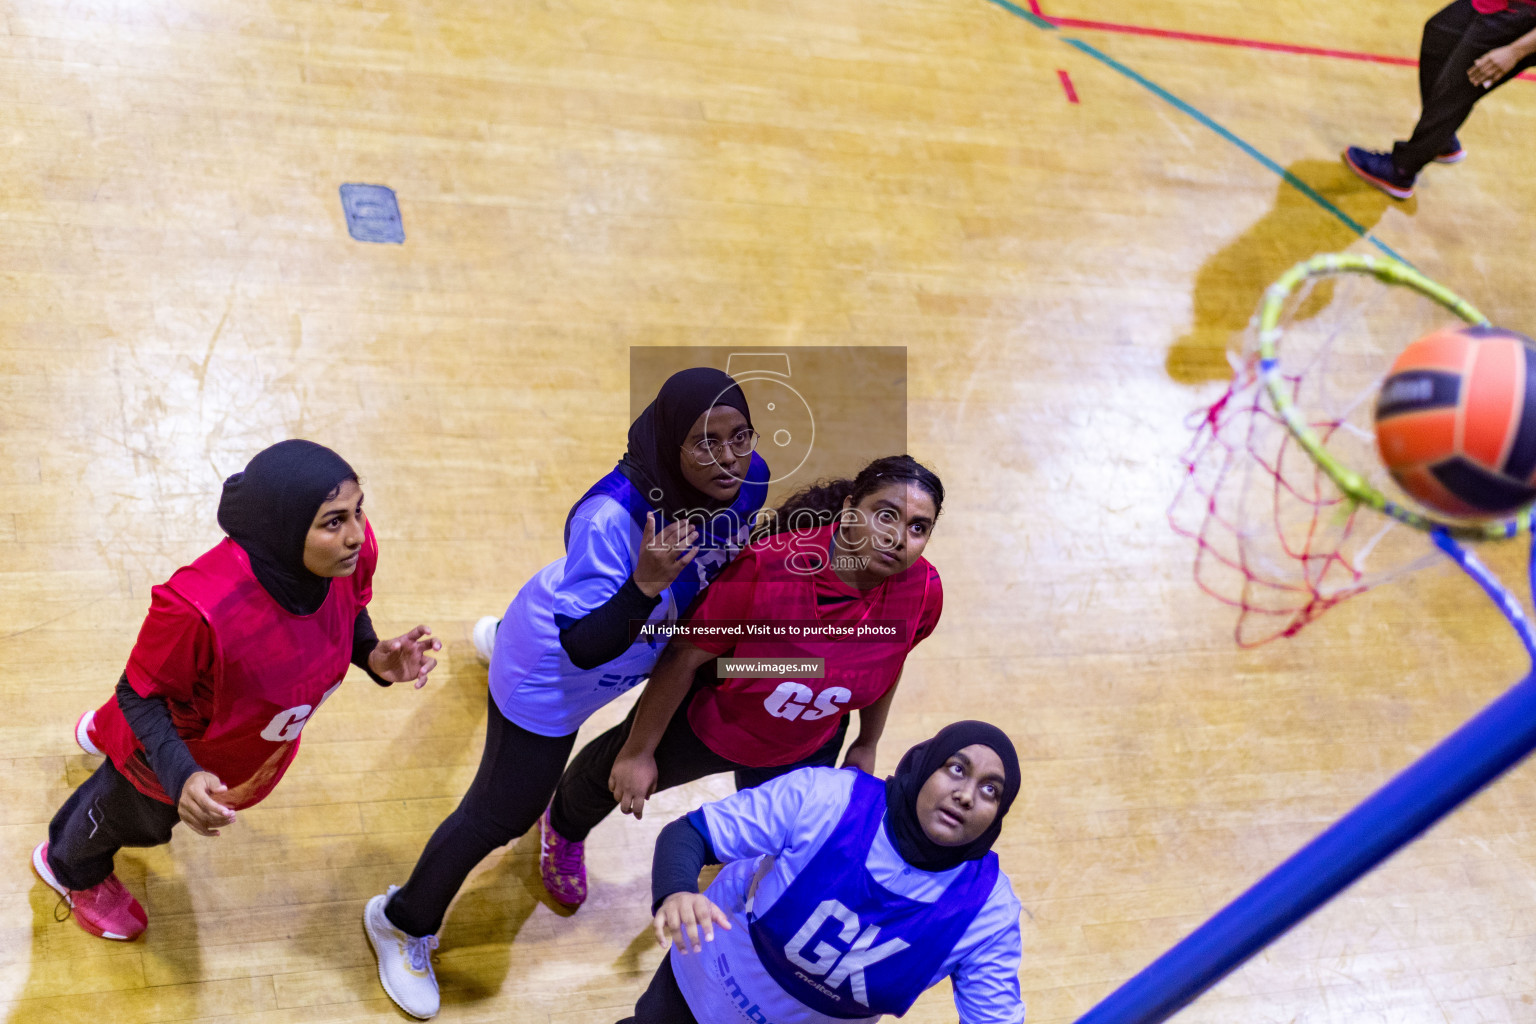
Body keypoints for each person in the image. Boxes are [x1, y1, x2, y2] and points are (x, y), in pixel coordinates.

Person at [363, 367, 769, 1020]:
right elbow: (583, 645)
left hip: (638, 647)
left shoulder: (748, 479)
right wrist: (641, 584)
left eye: (740, 436)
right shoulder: (612, 516)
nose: (728, 457)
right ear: (671, 442)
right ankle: (401, 921)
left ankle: (502, 633)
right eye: (705, 442)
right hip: (555, 673)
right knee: (502, 814)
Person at [32, 439, 441, 943]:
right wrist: (181, 777)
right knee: (131, 816)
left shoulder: (347, 558)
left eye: (358, 511)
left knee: (170, 683)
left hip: (234, 732)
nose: (357, 534)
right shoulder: (199, 608)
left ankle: (100, 729)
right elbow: (138, 693)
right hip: (174, 750)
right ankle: (69, 868)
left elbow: (346, 611)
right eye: (333, 521)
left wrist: (373, 656)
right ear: (285, 529)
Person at [540, 455, 945, 911]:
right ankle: (561, 828)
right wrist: (639, 752)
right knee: (607, 776)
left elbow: (890, 661)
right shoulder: (768, 568)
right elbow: (684, 656)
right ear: (850, 509)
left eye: (918, 527)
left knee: (775, 834)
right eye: (885, 514)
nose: (898, 537)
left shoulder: (924, 590)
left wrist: (867, 742)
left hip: (810, 741)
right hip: (715, 720)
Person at [620, 721, 1025, 1024]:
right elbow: (689, 834)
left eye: (991, 789)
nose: (966, 795)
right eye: (956, 769)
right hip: (707, 986)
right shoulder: (826, 797)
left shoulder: (988, 912)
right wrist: (676, 893)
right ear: (924, 767)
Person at [1344, 0, 1536, 199]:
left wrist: (1516, 51)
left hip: (1519, 19)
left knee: (1457, 87)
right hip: (1492, 5)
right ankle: (1440, 139)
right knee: (1438, 36)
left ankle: (1401, 170)